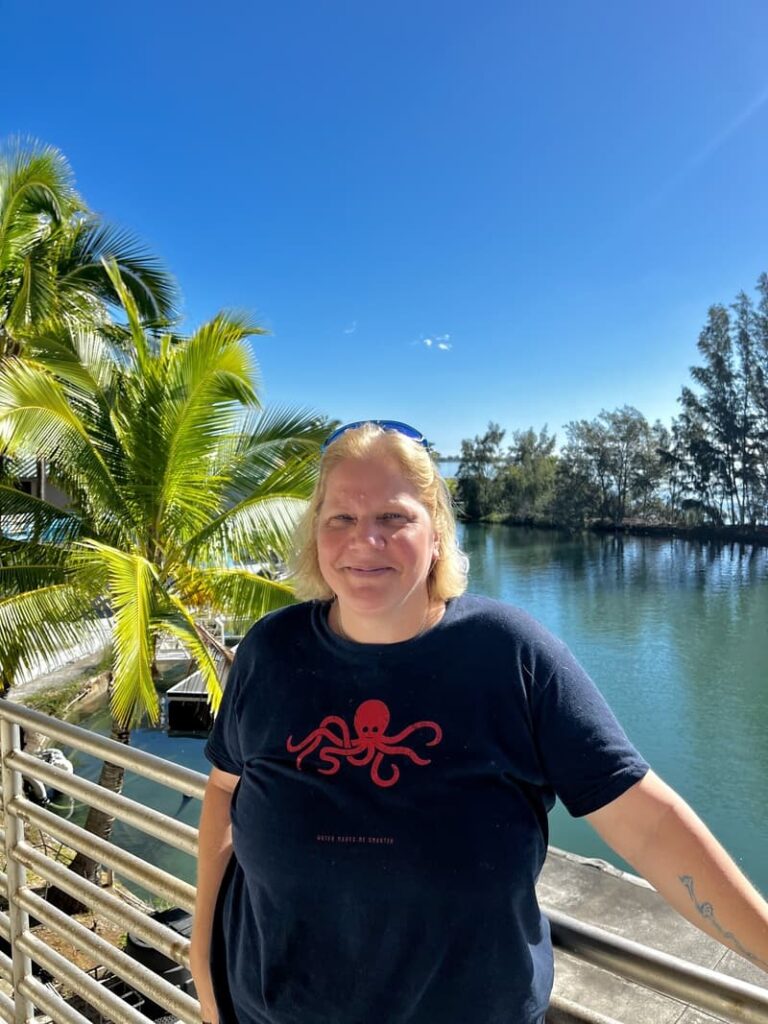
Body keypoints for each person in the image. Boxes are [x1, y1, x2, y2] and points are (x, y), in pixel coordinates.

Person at [190, 420, 768, 1024]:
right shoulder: (270, 652)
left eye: (393, 517)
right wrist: (203, 961)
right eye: (341, 518)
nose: (365, 540)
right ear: (316, 535)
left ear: (436, 534)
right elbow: (223, 791)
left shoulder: (511, 655)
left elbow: (647, 824)